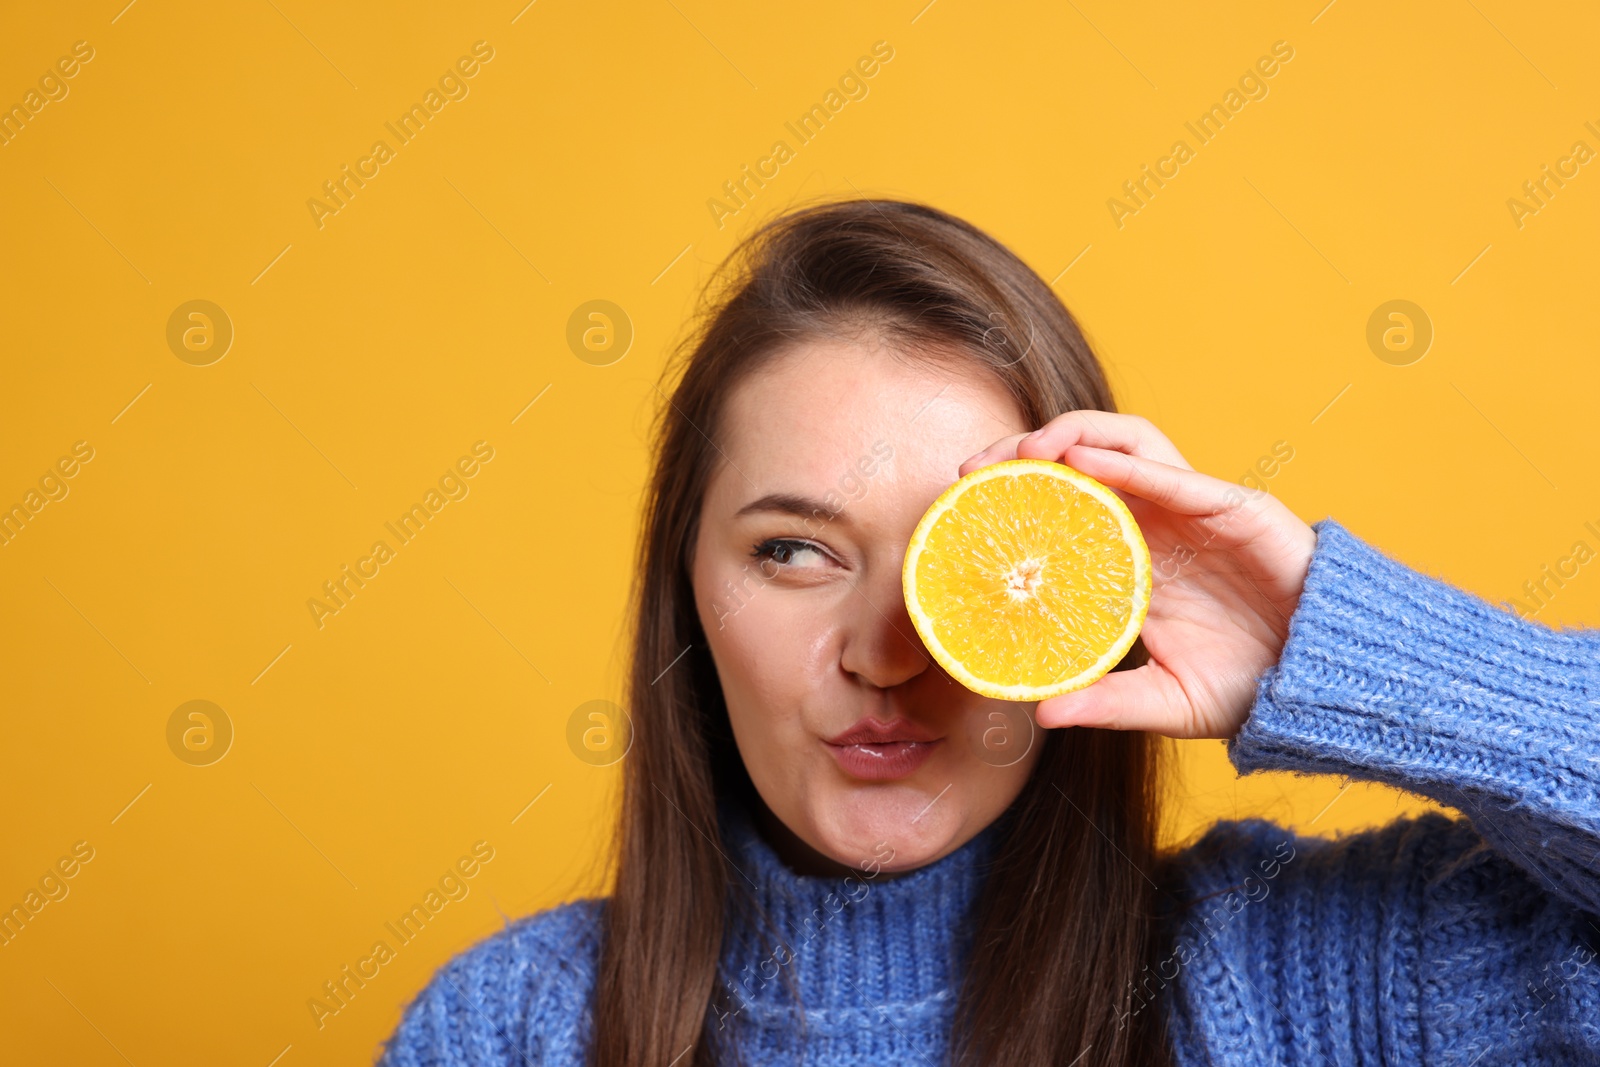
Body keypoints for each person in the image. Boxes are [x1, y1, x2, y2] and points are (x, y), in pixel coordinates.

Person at [378, 199, 1600, 1066]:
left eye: (965, 559)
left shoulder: (1284, 980)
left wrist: (1325, 641)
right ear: (685, 592)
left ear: (1077, 593)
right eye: (794, 550)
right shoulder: (513, 1028)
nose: (886, 650)